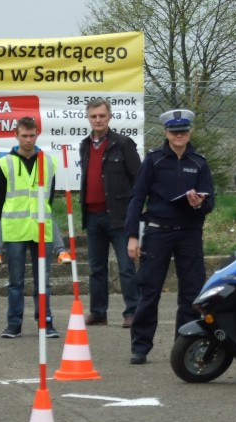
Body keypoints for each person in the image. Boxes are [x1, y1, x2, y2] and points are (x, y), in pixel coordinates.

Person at [124, 109, 214, 364]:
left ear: (190, 132)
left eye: (183, 131)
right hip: (157, 232)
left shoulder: (199, 162)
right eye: (174, 132)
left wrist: (198, 204)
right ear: (166, 133)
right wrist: (132, 236)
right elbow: (136, 198)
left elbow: (210, 202)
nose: (179, 136)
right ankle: (140, 346)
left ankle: (183, 345)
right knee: (149, 290)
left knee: (191, 292)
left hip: (189, 233)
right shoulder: (153, 161)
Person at [0, 116, 60, 339]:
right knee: (16, 282)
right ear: (16, 135)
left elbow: (50, 197)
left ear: (37, 134)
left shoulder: (49, 162)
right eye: (24, 136)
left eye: (32, 136)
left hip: (42, 230)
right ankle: (14, 325)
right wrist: (10, 222)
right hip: (15, 231)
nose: (28, 140)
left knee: (44, 282)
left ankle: (46, 324)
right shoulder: (5, 163)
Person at [79, 97, 142, 328]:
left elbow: (139, 180)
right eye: (94, 116)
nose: (98, 120)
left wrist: (136, 214)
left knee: (126, 266)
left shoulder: (123, 143)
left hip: (119, 217)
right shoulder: (85, 145)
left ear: (109, 117)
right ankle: (98, 313)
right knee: (96, 269)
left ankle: (132, 312)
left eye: (102, 116)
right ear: (88, 117)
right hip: (93, 217)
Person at [0, 218, 70, 265]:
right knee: (3, 217)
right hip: (17, 217)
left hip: (34, 221)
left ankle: (61, 252)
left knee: (49, 217)